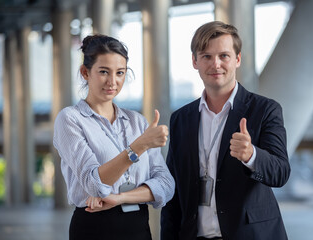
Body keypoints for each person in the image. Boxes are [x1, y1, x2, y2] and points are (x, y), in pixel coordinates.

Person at [161, 21, 290, 240]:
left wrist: (251, 155)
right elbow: (173, 194)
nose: (215, 64)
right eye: (206, 56)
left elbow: (280, 172)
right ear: (195, 61)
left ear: (237, 59)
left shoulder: (265, 109)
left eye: (224, 56)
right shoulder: (181, 118)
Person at [53, 34, 175, 240]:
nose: (113, 81)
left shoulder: (137, 121)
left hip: (138, 227)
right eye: (103, 72)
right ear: (85, 72)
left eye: (120, 73)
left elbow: (166, 185)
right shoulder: (70, 119)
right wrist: (139, 146)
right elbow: (94, 184)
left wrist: (120, 198)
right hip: (94, 227)